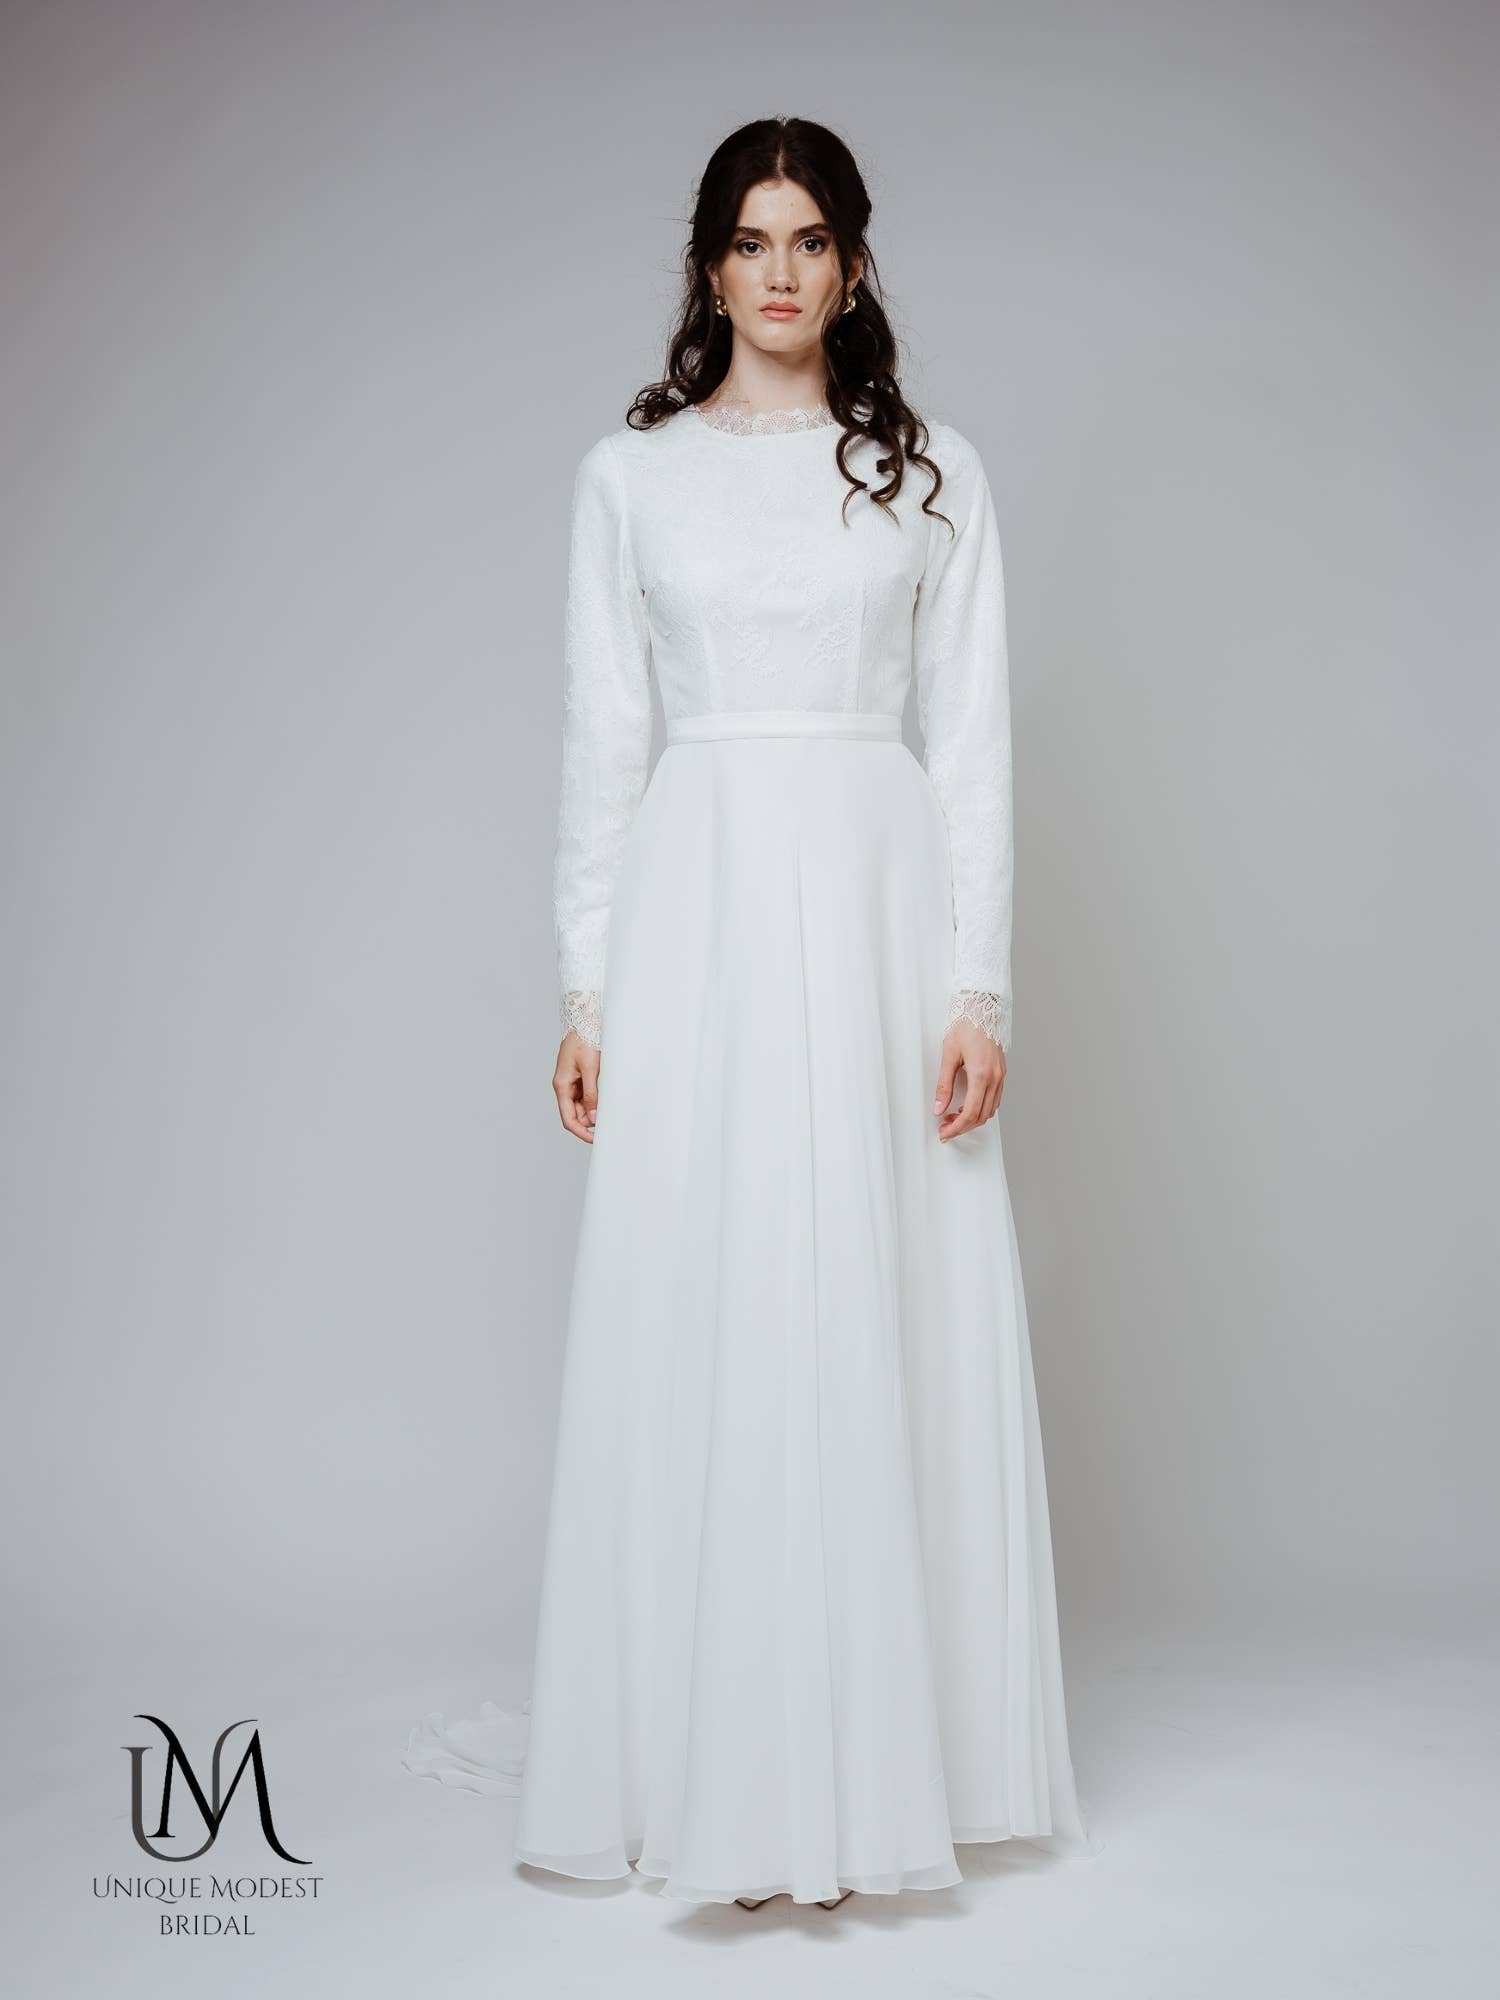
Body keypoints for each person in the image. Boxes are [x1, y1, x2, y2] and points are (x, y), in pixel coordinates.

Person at [403, 114, 1098, 1911]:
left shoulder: (932, 473)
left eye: (809, 240)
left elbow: (973, 744)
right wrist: (588, 986)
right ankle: (712, 1758)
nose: (778, 272)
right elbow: (604, 743)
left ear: (852, 266)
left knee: (872, 1293)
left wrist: (978, 985)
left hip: (877, 908)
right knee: (715, 1292)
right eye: (747, 239)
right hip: (697, 912)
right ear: (709, 267)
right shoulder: (628, 479)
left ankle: (876, 1771)